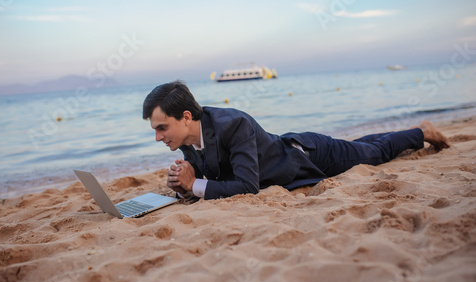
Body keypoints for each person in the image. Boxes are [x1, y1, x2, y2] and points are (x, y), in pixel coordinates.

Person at [142, 80, 450, 200]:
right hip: (293, 151)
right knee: (363, 146)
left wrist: (196, 184)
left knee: (376, 153)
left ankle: (422, 131)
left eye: (161, 127)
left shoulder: (232, 124)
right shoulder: (185, 138)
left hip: (309, 157)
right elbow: (219, 175)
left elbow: (247, 186)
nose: (158, 137)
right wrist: (186, 182)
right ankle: (406, 133)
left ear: (185, 117)